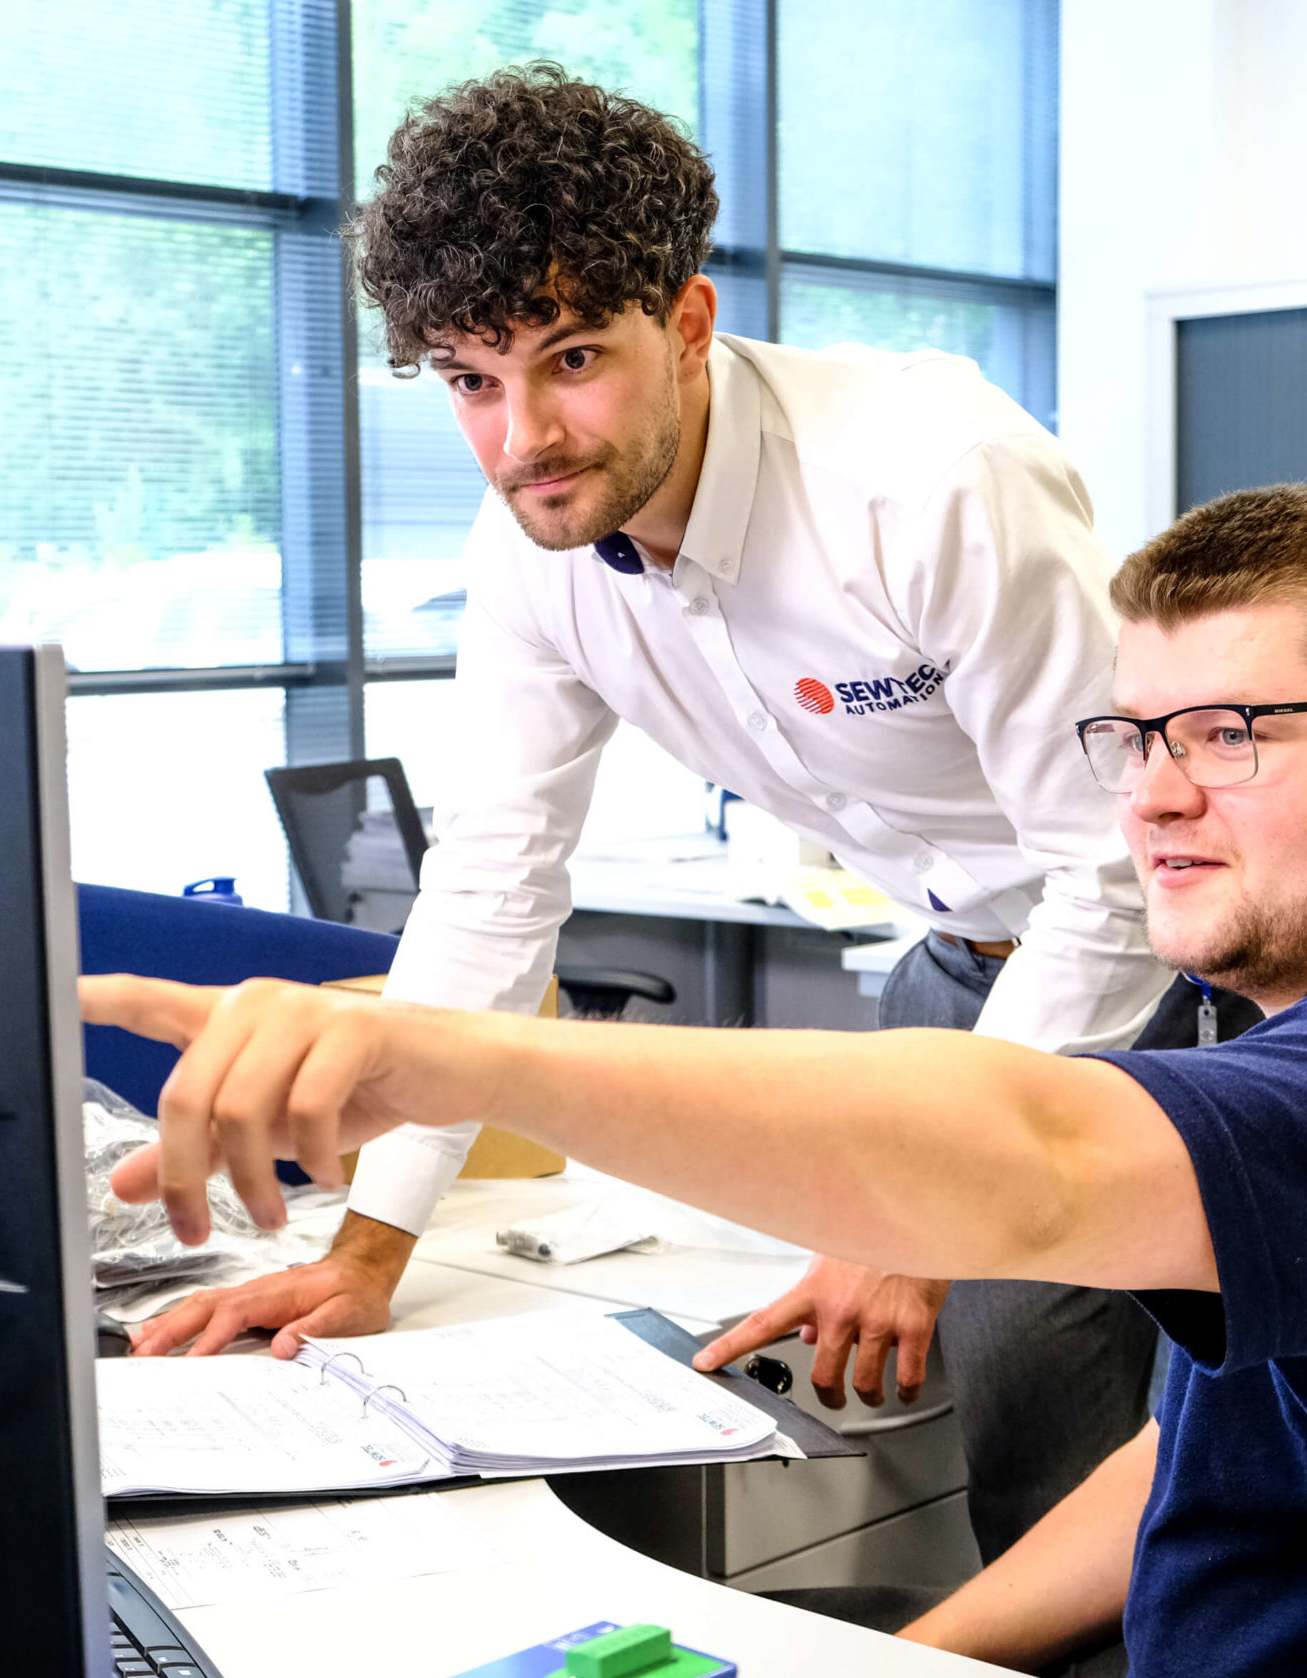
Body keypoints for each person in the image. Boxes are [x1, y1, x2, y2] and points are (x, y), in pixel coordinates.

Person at [85, 484, 1307, 1678]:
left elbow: (1031, 1154)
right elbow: (1214, 1454)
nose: (1159, 801)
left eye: (1238, 733)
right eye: (1137, 739)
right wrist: (909, 1664)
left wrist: (437, 1050)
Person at [131, 61, 1172, 1565]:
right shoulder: (534, 560)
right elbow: (491, 886)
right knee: (902, 1398)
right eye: (471, 382)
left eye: (570, 359)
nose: (520, 439)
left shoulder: (929, 479)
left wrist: (919, 1220)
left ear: (685, 322)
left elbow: (1114, 871)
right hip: (948, 978)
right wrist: (369, 1250)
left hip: (1171, 978)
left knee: (1061, 1441)